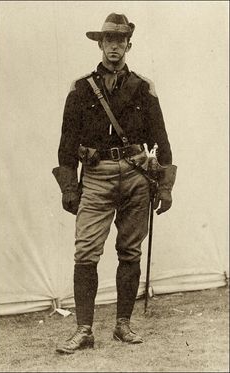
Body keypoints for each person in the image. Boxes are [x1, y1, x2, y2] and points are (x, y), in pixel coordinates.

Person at [53, 13, 176, 354]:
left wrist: (164, 185)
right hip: (97, 176)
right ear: (100, 44)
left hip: (137, 177)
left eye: (121, 41)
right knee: (85, 251)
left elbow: (161, 140)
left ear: (128, 46)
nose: (114, 47)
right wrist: (69, 186)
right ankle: (83, 330)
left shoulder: (143, 87)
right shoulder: (80, 89)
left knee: (130, 251)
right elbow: (67, 143)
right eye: (109, 41)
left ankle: (123, 325)